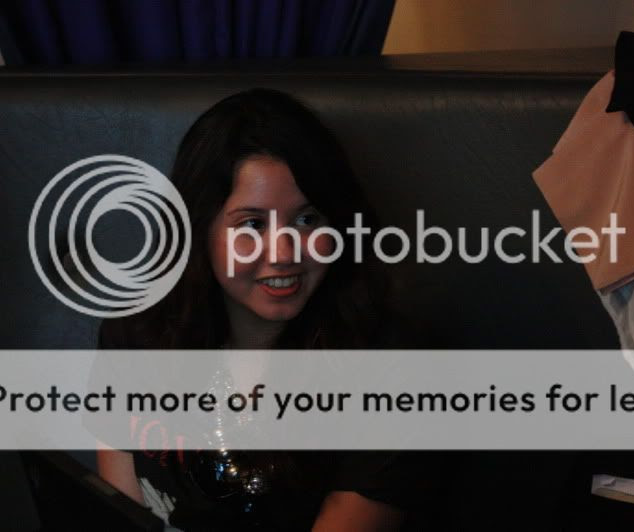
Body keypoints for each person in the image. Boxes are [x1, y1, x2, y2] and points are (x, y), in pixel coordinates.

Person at [96, 88, 432, 531]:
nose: (284, 253)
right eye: (252, 224)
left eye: (307, 219)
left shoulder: (395, 372)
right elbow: (120, 513)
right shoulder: (138, 327)